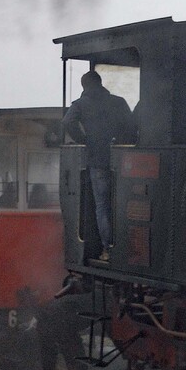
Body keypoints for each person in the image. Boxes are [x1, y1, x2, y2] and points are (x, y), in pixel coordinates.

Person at [62, 70, 136, 253]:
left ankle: (108, 248)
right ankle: (127, 245)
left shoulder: (81, 104)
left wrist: (84, 140)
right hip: (124, 161)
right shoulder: (119, 102)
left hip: (98, 159)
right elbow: (132, 126)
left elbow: (68, 122)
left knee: (102, 205)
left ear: (84, 86)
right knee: (124, 203)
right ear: (101, 82)